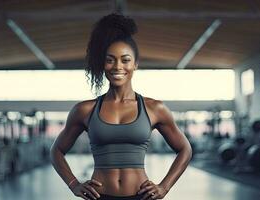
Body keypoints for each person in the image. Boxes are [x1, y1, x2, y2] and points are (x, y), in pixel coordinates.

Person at [50, 13, 192, 200]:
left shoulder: (154, 108)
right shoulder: (84, 110)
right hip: (99, 196)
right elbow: (56, 151)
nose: (118, 66)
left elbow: (185, 149)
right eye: (110, 60)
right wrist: (74, 184)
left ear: (135, 65)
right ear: (103, 64)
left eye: (125, 60)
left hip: (141, 196)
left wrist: (164, 187)